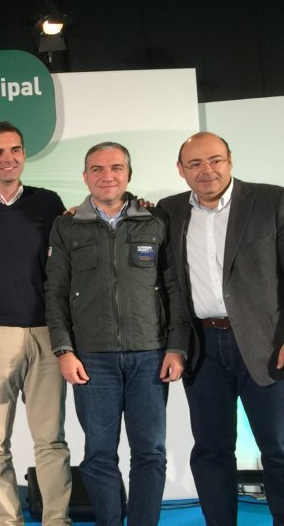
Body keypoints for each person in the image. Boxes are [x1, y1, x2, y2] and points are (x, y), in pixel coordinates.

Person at [45, 142, 189, 526]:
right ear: (85, 175)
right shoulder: (66, 225)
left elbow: (174, 288)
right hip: (91, 359)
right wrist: (64, 350)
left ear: (128, 173)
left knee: (150, 453)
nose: (106, 175)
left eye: (115, 167)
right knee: (98, 455)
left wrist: (176, 346)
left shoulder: (156, 221)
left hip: (150, 355)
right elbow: (55, 293)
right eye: (97, 168)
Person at [160, 132, 284, 525]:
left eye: (214, 160)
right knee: (211, 450)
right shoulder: (168, 211)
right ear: (181, 170)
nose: (206, 170)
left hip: (267, 344)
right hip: (202, 346)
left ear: (230, 160)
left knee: (279, 447)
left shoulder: (272, 200)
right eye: (194, 164)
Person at [0, 122, 71, 526]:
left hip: (46, 331)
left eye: (15, 150)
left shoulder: (48, 202)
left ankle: (57, 520)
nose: (8, 158)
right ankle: (8, 521)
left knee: (51, 440)